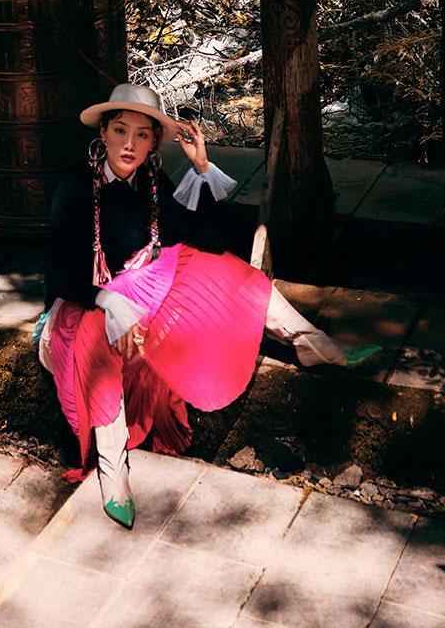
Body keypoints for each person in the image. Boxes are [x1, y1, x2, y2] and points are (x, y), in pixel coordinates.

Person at [41, 82, 357, 528]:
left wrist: (202, 166)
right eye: (120, 130)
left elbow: (208, 241)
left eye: (142, 135)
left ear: (154, 144)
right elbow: (57, 278)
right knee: (98, 329)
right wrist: (109, 301)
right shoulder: (75, 184)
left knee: (213, 265)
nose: (129, 144)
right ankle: (113, 472)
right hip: (80, 310)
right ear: (104, 133)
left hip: (139, 300)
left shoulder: (152, 182)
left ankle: (309, 341)